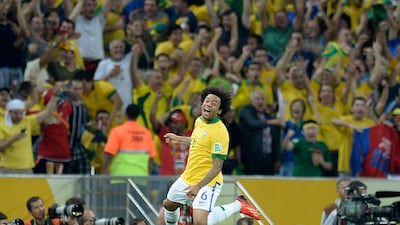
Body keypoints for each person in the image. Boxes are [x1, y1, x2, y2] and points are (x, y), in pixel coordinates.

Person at [162, 87, 260, 225]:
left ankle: (238, 205)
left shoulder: (220, 132)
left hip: (208, 182)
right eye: (207, 101)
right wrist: (179, 139)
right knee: (169, 205)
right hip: (188, 177)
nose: (209, 104)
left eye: (214, 103)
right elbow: (199, 142)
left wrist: (198, 186)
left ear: (220, 111)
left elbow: (217, 167)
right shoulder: (199, 121)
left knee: (201, 222)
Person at [0, 84, 63, 174]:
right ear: (9, 113)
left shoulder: (27, 121)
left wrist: (55, 96)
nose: (18, 116)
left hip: (27, 168)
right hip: (7, 167)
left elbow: (47, 112)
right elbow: (1, 148)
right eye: (15, 113)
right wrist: (13, 139)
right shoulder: (1, 126)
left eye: (21, 113)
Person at [103, 103, 157, 176]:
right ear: (138, 116)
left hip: (120, 176)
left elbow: (109, 154)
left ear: (126, 114)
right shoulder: (146, 133)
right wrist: (148, 176)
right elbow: (151, 158)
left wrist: (103, 172)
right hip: (141, 177)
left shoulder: (117, 131)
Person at [238, 91, 281, 175]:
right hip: (251, 159)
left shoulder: (268, 117)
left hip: (268, 160)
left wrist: (277, 159)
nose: (260, 101)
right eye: (257, 99)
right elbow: (252, 124)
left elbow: (276, 140)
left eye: (263, 99)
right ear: (251, 101)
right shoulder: (246, 111)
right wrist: (269, 122)